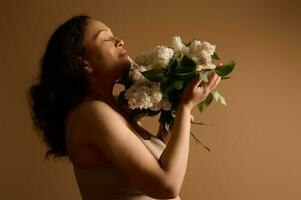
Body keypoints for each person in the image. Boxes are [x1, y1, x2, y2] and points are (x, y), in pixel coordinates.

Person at [28, 14, 221, 200]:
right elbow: (166, 186)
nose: (119, 40)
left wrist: (168, 127)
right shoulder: (91, 114)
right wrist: (185, 107)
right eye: (106, 38)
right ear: (84, 63)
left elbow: (152, 171)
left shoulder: (116, 110)